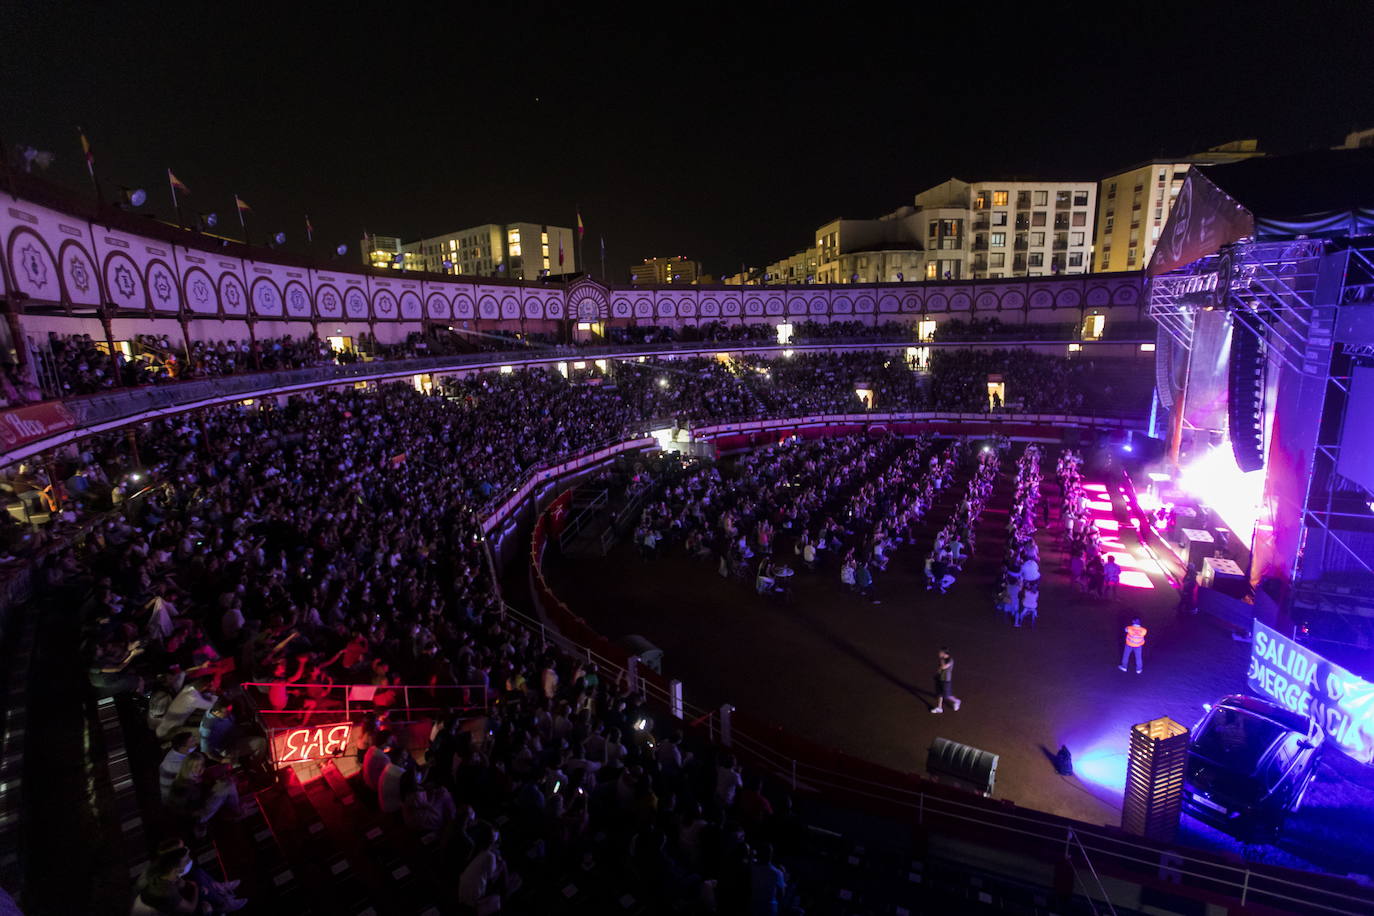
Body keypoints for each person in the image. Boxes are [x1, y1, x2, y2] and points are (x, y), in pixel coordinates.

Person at [158, 732, 199, 803]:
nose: (195, 742)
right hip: (174, 800)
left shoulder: (173, 752)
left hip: (173, 792)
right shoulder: (178, 766)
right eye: (192, 741)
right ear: (182, 748)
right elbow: (196, 779)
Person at [930, 648, 961, 713]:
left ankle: (957, 701)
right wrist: (936, 674)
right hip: (940, 678)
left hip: (946, 680)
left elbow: (944, 667)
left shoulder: (950, 660)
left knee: (947, 695)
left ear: (944, 653)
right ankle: (939, 708)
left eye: (940, 653)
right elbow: (940, 669)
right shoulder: (942, 659)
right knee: (939, 693)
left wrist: (942, 659)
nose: (939, 654)